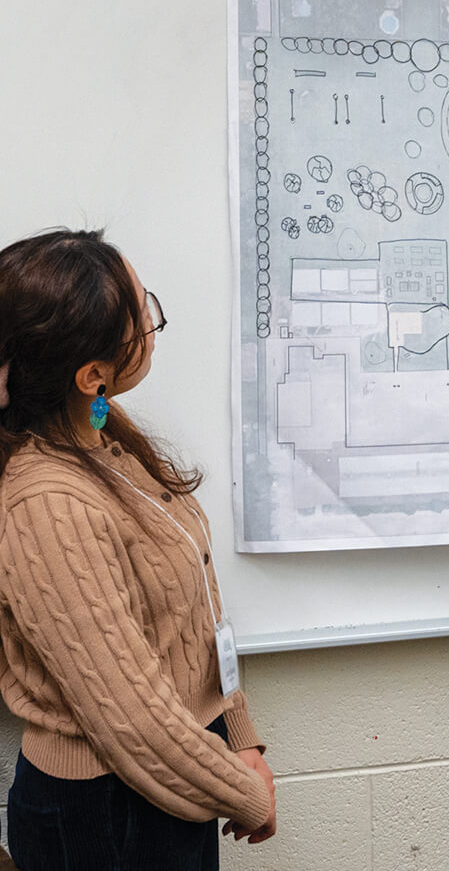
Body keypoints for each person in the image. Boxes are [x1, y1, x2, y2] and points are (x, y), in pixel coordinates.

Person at [0, 230, 277, 870]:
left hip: (175, 776)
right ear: (91, 374)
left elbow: (193, 612)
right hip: (106, 809)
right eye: (142, 315)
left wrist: (238, 735)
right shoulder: (49, 503)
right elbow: (129, 717)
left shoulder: (101, 435)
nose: (151, 325)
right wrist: (247, 795)